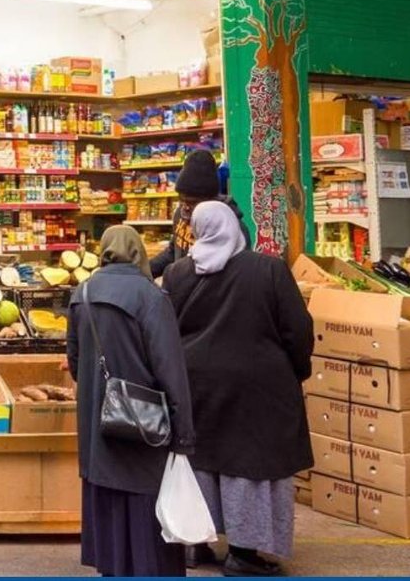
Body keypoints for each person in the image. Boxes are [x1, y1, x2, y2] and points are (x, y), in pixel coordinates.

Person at [162, 201, 314, 577]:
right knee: (250, 466)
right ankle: (245, 552)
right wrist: (297, 370)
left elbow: (168, 329)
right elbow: (297, 330)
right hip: (258, 388)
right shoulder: (269, 269)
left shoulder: (178, 273)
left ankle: (194, 543)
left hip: (196, 384)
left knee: (202, 462)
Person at [69, 225, 196, 577]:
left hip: (99, 425)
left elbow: (75, 363)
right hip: (144, 425)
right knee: (145, 514)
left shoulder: (83, 293)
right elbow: (170, 367)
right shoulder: (150, 297)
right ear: (139, 252)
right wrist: (183, 432)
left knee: (107, 504)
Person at [149, 148, 248, 278]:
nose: (185, 207)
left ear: (211, 199)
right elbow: (173, 251)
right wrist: (144, 271)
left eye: (191, 202)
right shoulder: (180, 214)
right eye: (181, 200)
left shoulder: (232, 227)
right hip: (182, 288)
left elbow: (237, 273)